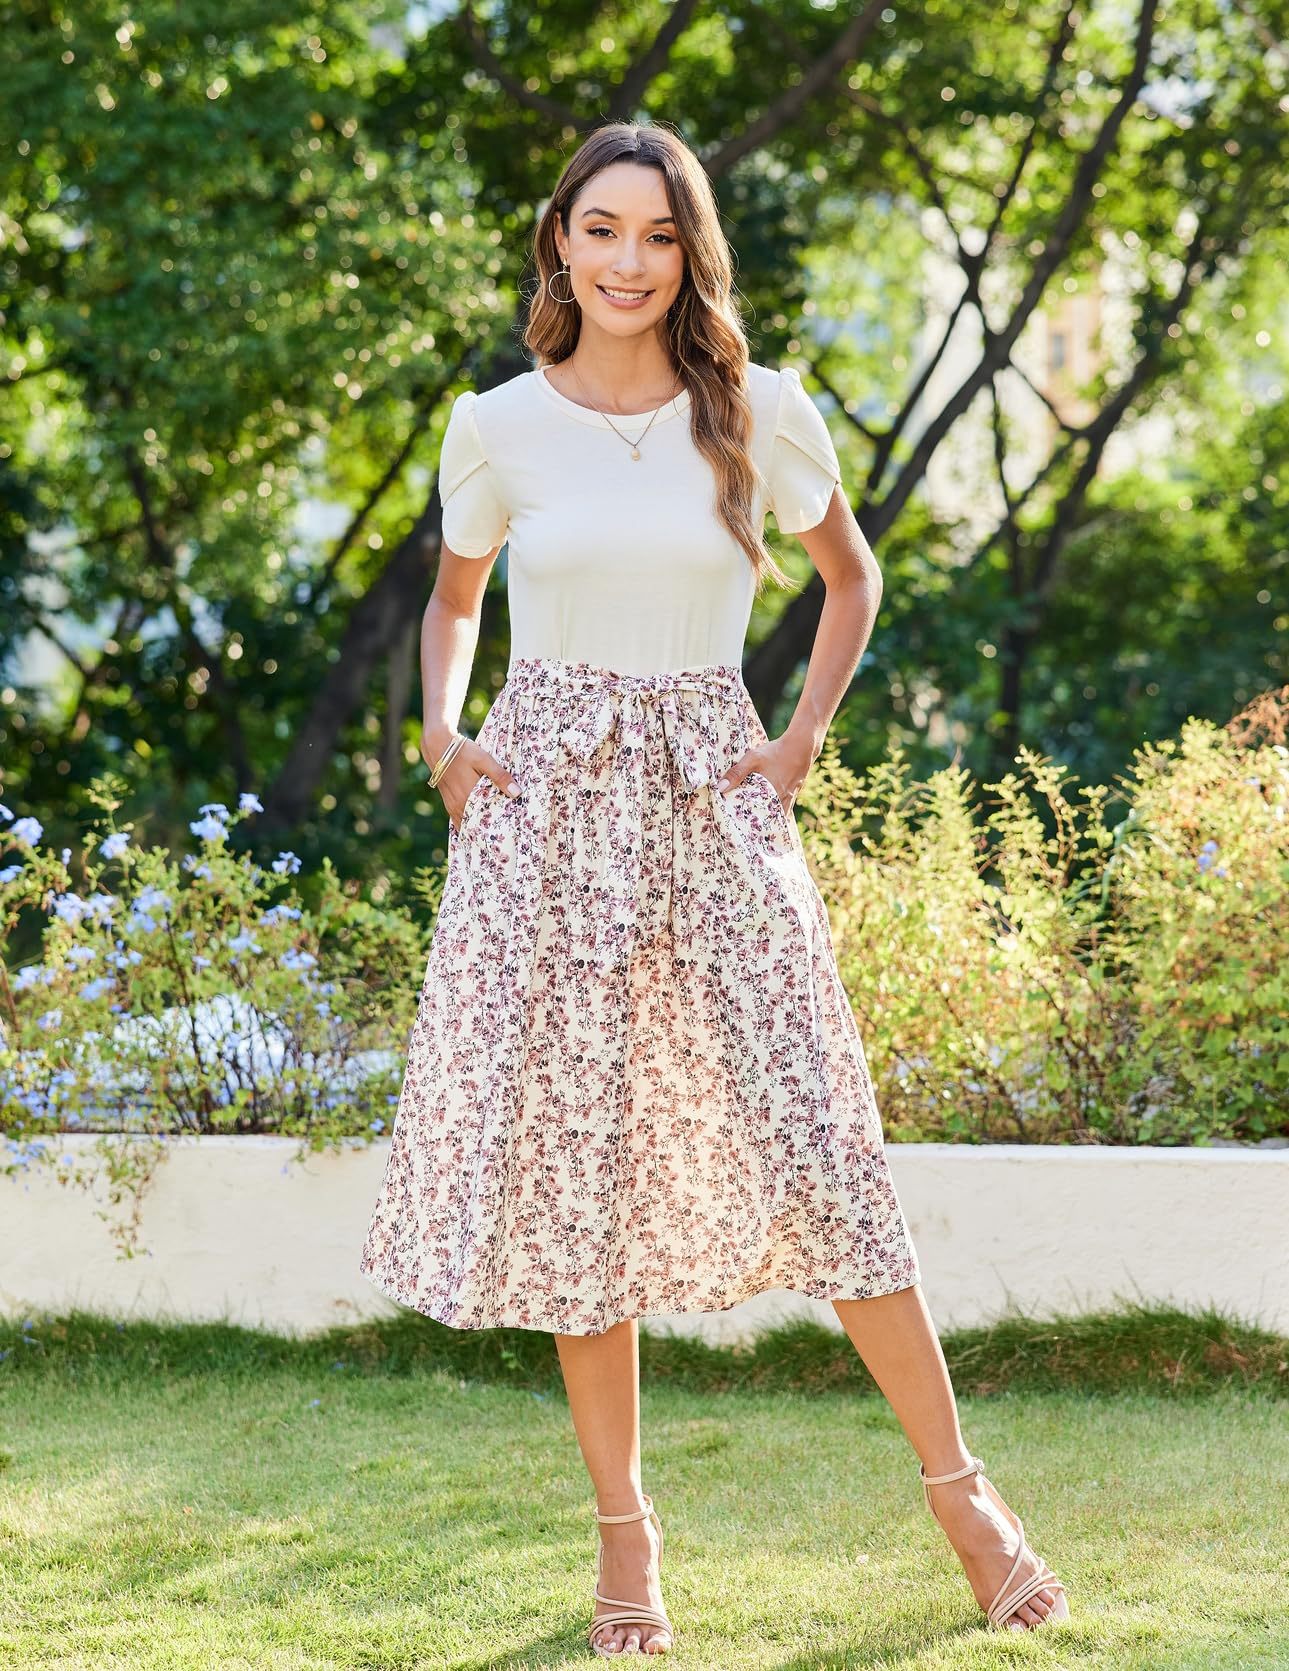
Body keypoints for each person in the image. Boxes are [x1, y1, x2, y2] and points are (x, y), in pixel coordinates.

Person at [359, 120, 1068, 1657]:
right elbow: (455, 598)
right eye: (600, 230)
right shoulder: (495, 425)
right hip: (548, 813)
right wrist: (441, 737)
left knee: (821, 1136)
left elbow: (849, 576)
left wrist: (799, 737)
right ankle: (626, 1535)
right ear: (559, 242)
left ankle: (962, 1497)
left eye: (659, 235)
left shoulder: (758, 409)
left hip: (708, 791)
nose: (627, 262)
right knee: (576, 1176)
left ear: (691, 253)